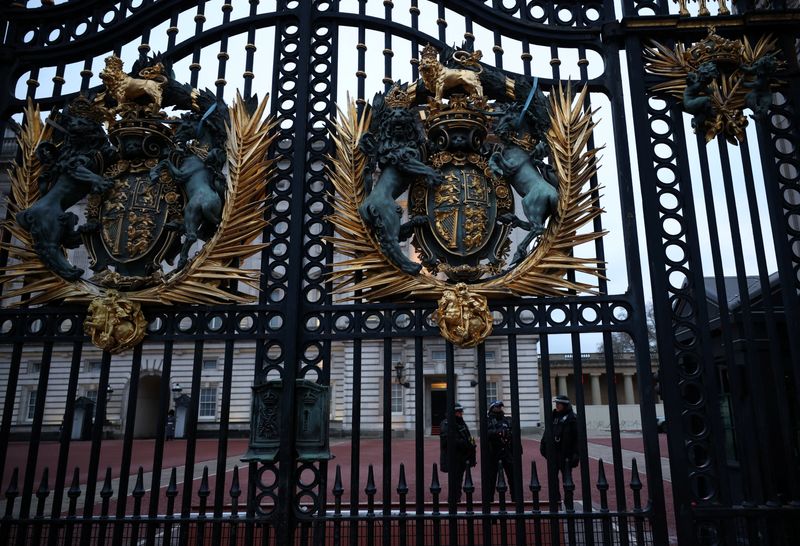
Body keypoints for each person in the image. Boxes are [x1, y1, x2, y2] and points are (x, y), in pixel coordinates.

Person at [539, 394, 579, 493]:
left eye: (559, 404)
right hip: (553, 453)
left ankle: (568, 501)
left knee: (567, 480)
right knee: (553, 480)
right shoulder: (553, 417)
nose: (557, 406)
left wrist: (576, 454)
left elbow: (578, 438)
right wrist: (543, 446)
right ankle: (556, 501)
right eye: (556, 403)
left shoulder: (572, 418)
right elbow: (547, 433)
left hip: (566, 453)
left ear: (565, 405)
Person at [439, 403, 477, 503]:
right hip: (453, 458)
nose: (461, 413)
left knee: (459, 480)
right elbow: (447, 441)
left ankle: (456, 499)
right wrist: (465, 443)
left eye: (461, 411)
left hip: (462, 457)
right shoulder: (446, 423)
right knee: (454, 481)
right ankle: (453, 501)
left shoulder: (461, 422)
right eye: (459, 412)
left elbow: (467, 436)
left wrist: (471, 443)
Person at [486, 400, 518, 502]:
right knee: (491, 479)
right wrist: (497, 432)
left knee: (513, 477)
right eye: (497, 407)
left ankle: (516, 499)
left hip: (507, 452)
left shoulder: (507, 420)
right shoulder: (487, 420)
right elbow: (486, 433)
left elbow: (514, 432)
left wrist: (508, 433)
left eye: (500, 406)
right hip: (493, 453)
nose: (499, 408)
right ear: (492, 408)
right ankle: (489, 501)